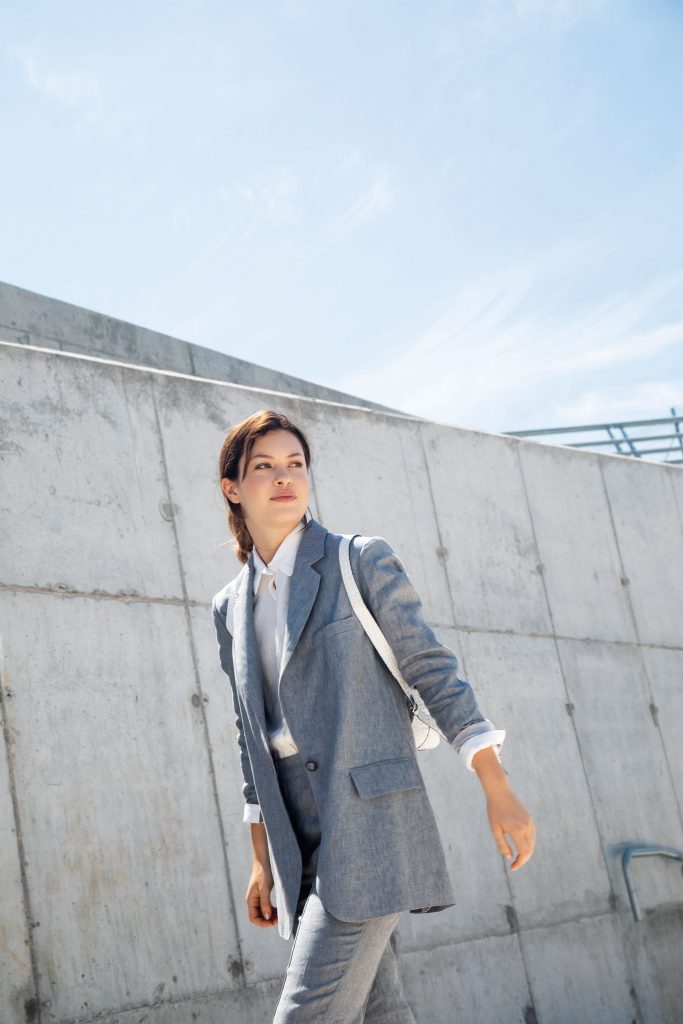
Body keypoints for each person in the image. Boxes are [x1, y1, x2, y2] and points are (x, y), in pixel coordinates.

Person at [211, 409, 536, 1023]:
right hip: (295, 834)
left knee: (306, 1013)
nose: (285, 477)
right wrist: (261, 855)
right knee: (382, 1012)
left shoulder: (355, 560)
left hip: (370, 822)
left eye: (296, 464)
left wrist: (496, 784)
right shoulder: (229, 607)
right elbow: (249, 736)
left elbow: (431, 669)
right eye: (265, 467)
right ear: (233, 489)